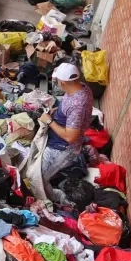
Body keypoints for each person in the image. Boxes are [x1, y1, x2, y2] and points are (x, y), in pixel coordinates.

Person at [39, 63, 94, 192]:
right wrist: (57, 111)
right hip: (58, 141)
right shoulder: (82, 88)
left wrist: (49, 121)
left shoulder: (77, 105)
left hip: (62, 148)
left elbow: (70, 137)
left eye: (57, 80)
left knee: (38, 177)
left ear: (63, 83)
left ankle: (52, 200)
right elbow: (68, 108)